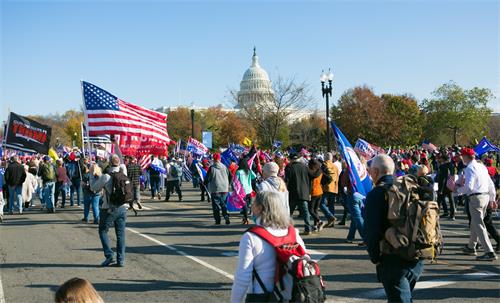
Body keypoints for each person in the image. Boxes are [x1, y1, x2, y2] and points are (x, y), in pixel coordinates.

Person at [365, 154, 424, 302]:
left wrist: (375, 258)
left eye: (371, 170)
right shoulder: (409, 188)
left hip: (393, 257)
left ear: (376, 172)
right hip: (416, 254)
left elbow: (371, 232)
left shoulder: (376, 194)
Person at [231, 191, 307, 303]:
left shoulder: (250, 237)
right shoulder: (293, 233)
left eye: (254, 203)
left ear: (260, 208)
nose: (252, 205)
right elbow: (305, 261)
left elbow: (242, 278)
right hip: (291, 294)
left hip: (261, 295)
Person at [457, 148, 497, 261]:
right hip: (485, 196)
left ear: (465, 157)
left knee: (479, 225)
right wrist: (492, 198)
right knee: (475, 223)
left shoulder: (469, 168)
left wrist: (457, 190)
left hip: (476, 197)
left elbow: (469, 187)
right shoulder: (481, 166)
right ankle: (471, 246)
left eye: (462, 156)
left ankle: (489, 251)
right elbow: (490, 183)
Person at [92, 154, 128, 267]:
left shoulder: (106, 176)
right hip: (122, 207)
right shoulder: (123, 173)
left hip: (108, 208)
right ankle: (121, 260)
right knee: (120, 234)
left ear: (109, 163)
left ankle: (109, 255)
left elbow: (93, 188)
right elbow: (122, 164)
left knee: (103, 231)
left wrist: (91, 175)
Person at [284, 152, 316, 235]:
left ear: (291, 159)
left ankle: (288, 229)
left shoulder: (289, 167)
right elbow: (313, 175)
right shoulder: (304, 167)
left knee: (289, 212)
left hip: (293, 193)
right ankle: (308, 228)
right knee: (305, 212)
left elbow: (287, 181)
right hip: (303, 193)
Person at [205, 153, 231, 225]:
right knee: (224, 204)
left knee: (216, 205)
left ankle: (217, 220)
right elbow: (230, 176)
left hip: (215, 189)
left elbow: (207, 178)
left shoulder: (212, 168)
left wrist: (205, 182)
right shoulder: (225, 167)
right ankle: (226, 216)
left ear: (213, 159)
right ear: (220, 159)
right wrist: (228, 183)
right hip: (224, 188)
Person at [319, 152, 340, 228]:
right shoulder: (335, 166)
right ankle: (331, 222)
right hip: (334, 187)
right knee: (331, 205)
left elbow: (320, 175)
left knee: (321, 204)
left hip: (325, 187)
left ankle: (330, 217)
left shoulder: (324, 165)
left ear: (325, 157)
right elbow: (338, 177)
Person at [236, 158, 257, 224]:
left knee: (244, 204)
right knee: (247, 204)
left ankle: (246, 218)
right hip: (249, 190)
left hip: (242, 190)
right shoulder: (248, 171)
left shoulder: (238, 172)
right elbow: (254, 176)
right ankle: (246, 217)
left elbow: (236, 181)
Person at [435, 153, 456, 220]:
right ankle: (452, 215)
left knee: (439, 200)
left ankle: (436, 214)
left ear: (443, 159)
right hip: (450, 184)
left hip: (444, 186)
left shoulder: (443, 166)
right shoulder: (452, 165)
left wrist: (440, 189)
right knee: (451, 200)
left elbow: (442, 178)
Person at [308, 158, 324, 231]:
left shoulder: (311, 173)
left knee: (311, 210)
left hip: (313, 192)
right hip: (320, 191)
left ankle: (319, 221)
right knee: (315, 210)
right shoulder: (320, 171)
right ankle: (315, 225)